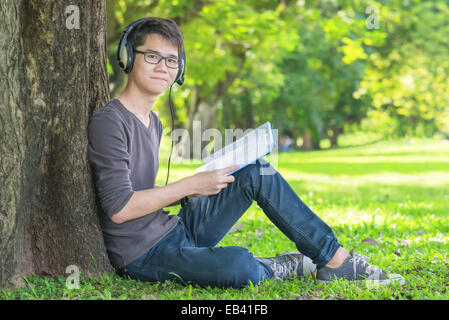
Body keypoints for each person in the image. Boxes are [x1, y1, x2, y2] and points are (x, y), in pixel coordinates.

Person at [87, 17, 405, 288]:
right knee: (239, 266)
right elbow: (119, 208)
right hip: (142, 255)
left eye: (172, 60)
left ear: (179, 70)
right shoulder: (110, 121)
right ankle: (281, 265)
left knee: (255, 171)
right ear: (129, 56)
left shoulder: (153, 121)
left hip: (174, 230)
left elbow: (142, 192)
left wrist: (199, 185)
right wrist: (191, 186)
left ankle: (335, 260)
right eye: (153, 56)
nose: (164, 67)